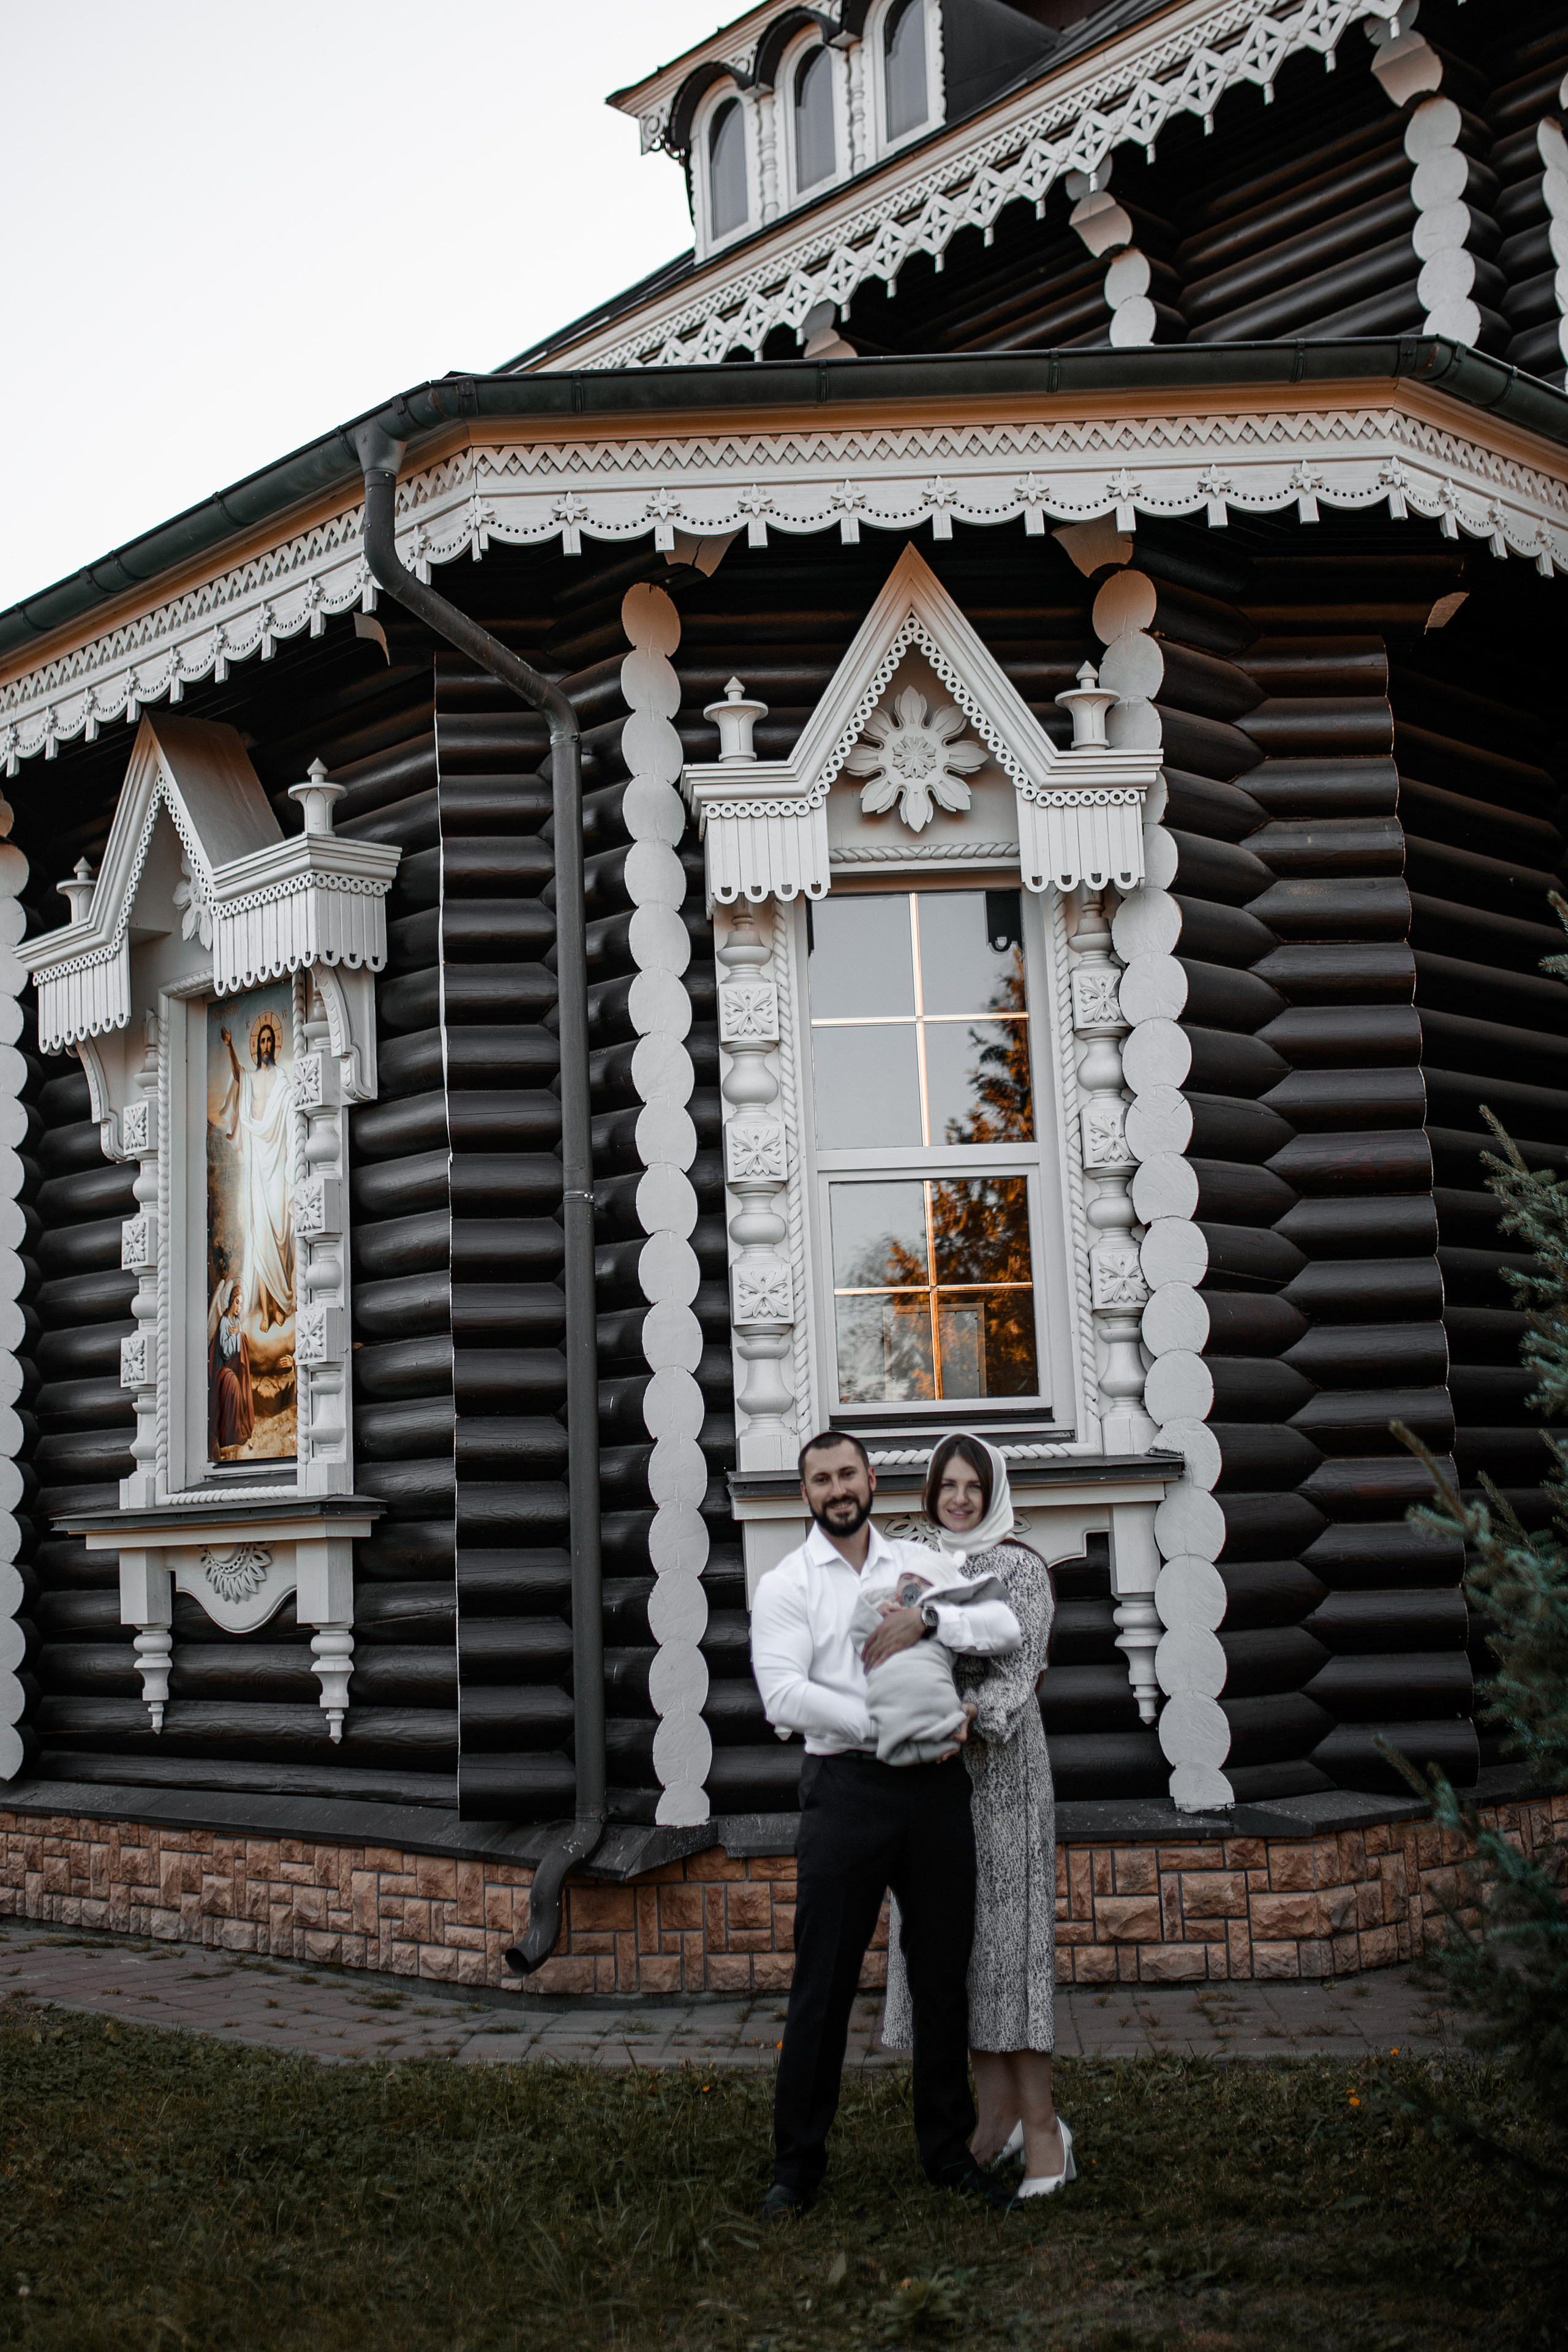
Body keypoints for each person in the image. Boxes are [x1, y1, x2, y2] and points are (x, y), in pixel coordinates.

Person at [750, 1429, 1023, 2221]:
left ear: (871, 1479)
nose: (837, 1489)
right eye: (821, 1480)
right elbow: (784, 1696)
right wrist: (894, 1725)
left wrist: (930, 1623)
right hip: (846, 1789)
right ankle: (795, 2169)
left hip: (934, 1791)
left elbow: (1001, 1628)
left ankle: (948, 2153)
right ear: (806, 1493)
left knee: (940, 1975)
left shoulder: (920, 1563)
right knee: (824, 1980)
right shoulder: (787, 1584)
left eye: (847, 1474)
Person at [882, 1433, 1071, 2199]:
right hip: (931, 1783)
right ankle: (993, 2122)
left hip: (1002, 1779)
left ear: (992, 1493)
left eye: (972, 1486)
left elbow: (1020, 1669)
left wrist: (965, 1715)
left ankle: (1044, 2132)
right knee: (961, 1956)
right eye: (946, 1486)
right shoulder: (920, 1566)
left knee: (1009, 1953)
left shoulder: (1018, 1568)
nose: (958, 1499)